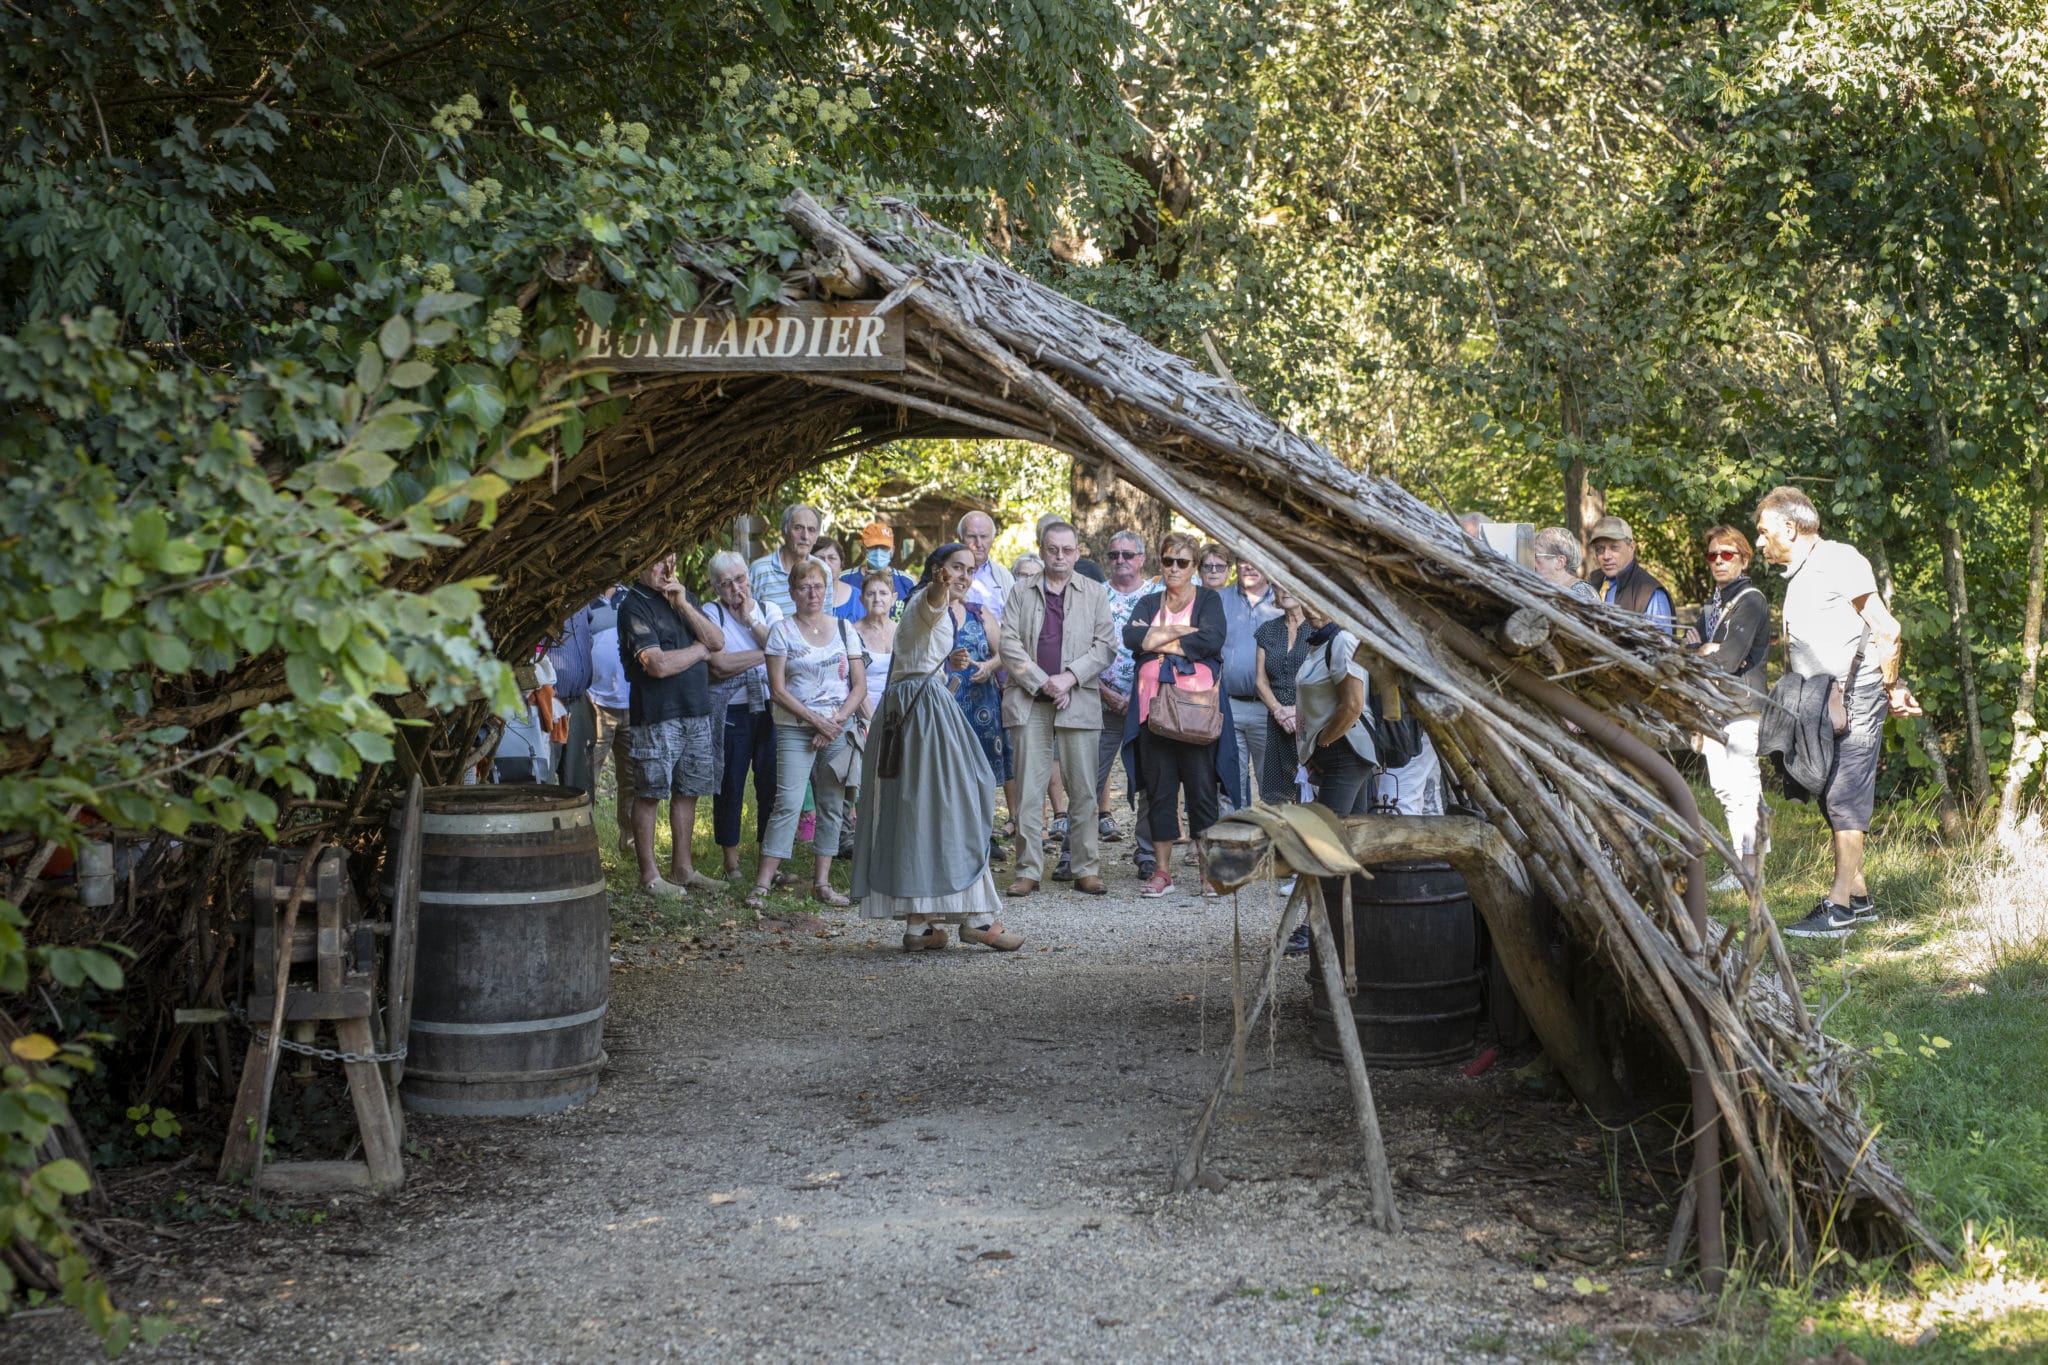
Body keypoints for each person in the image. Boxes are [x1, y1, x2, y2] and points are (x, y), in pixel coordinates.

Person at [1754, 487, 1921, 938]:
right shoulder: (1801, 572)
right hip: (1820, 699)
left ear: (1790, 528)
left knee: (1844, 794)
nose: (1759, 541)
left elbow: (1888, 628)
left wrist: (1891, 686)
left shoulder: (1841, 560)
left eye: (1764, 531)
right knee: (1828, 790)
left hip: (1857, 694)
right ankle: (1861, 898)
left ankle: (1839, 907)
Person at [852, 543, 1022, 952]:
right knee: (958, 804)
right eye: (955, 568)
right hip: (923, 716)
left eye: (970, 570)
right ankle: (978, 918)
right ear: (936, 570)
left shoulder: (926, 609)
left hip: (913, 709)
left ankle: (919, 927)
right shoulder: (925, 600)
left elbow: (917, 651)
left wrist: (951, 665)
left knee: (918, 813)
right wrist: (940, 588)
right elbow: (930, 605)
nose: (964, 575)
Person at [1123, 531, 1244, 897]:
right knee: (1159, 793)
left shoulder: (1207, 599)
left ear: (1194, 567)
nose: (1175, 568)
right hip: (1153, 714)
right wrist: (1182, 634)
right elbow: (1131, 639)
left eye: (1183, 562)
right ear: (1160, 562)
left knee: (1202, 792)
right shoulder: (1147, 601)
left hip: (1196, 714)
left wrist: (1157, 637)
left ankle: (1208, 873)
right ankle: (1162, 873)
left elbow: (1211, 640)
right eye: (1168, 561)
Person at [998, 520, 1115, 897]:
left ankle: (1085, 868)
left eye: (1067, 550)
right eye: (1053, 549)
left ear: (1078, 553)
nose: (1060, 556)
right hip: (1030, 700)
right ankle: (1028, 870)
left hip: (1077, 699)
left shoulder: (1095, 593)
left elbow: (1105, 646)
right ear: (1042, 549)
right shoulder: (1020, 591)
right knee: (1030, 789)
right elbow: (1009, 644)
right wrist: (1041, 681)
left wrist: (1067, 678)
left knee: (1083, 789)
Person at [748, 559, 867, 910]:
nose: (812, 593)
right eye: (804, 587)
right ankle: (762, 883)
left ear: (827, 589)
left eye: (818, 586)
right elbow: (778, 690)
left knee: (832, 805)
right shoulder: (782, 632)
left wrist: (834, 723)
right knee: (786, 802)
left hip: (837, 727)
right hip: (795, 727)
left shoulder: (845, 628)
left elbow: (858, 687)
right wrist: (817, 722)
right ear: (792, 592)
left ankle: (823, 883)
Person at [619, 553, 728, 898]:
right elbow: (659, 665)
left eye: (671, 559)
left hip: (696, 710)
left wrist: (682, 603)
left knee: (688, 789)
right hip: (656, 715)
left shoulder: (686, 598)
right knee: (650, 792)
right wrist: (699, 651)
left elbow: (718, 642)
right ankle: (650, 876)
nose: (666, 569)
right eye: (656, 561)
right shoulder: (633, 606)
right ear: (638, 565)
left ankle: (683, 869)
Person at [1688, 527, 1771, 895]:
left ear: (1744, 558)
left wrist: (1705, 651)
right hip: (1713, 707)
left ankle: (1753, 872)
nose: (1719, 561)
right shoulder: (1714, 604)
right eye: (1712, 556)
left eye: (1727, 554)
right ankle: (1739, 867)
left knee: (1744, 788)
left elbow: (1727, 658)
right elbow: (1690, 650)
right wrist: (1701, 650)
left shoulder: (1750, 600)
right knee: (1724, 790)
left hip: (1741, 706)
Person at [703, 551, 781, 881]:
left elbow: (784, 651)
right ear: (715, 588)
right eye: (726, 583)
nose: (736, 588)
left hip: (770, 708)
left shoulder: (768, 610)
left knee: (770, 785)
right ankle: (731, 862)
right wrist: (768, 654)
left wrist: (751, 621)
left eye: (740, 579)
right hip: (730, 710)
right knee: (730, 783)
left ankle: (769, 862)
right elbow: (719, 665)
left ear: (749, 577)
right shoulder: (711, 613)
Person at [1095, 530, 1158, 872]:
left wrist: (1135, 693)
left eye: (1128, 555)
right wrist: (1107, 693)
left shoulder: (1159, 596)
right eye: (1114, 554)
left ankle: (1146, 853)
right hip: (1100, 701)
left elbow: (1166, 650)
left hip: (1148, 704)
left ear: (1141, 558)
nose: (1120, 560)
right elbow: (1079, 649)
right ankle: (1075, 855)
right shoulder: (1094, 595)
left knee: (1150, 779)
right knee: (1088, 778)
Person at [1217, 551, 1281, 812]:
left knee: (1273, 788)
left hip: (1270, 708)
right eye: (1243, 560)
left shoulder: (1282, 602)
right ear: (1235, 565)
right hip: (1228, 704)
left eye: (1256, 560)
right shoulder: (1219, 600)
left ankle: (1273, 846)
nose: (1249, 566)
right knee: (1229, 785)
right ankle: (1233, 848)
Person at [1253, 585, 1314, 803]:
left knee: (1312, 794)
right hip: (1278, 722)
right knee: (1278, 799)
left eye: (1291, 583)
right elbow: (1260, 681)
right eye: (1279, 585)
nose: (1286, 590)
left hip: (1313, 721)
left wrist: (1299, 713)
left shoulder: (1318, 628)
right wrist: (1280, 712)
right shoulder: (1267, 630)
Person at [587, 585, 635, 851]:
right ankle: (585, 845)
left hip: (633, 702)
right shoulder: (581, 599)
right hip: (596, 704)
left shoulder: (631, 596)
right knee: (588, 778)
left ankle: (630, 843)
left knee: (632, 779)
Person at [1587, 515, 1674, 631]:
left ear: (1631, 548)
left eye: (1614, 548)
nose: (1606, 556)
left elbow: (1662, 645)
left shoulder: (1650, 592)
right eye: (1599, 549)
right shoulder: (1592, 584)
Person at [548, 600, 598, 794]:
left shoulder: (582, 600)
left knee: (581, 784)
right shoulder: (540, 597)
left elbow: (588, 636)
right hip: (545, 704)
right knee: (543, 781)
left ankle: (581, 824)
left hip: (578, 701)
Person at [749, 503, 822, 616]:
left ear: (816, 537)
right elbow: (747, 618)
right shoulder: (759, 571)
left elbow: (825, 619)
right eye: (798, 528)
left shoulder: (822, 570)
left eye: (811, 530)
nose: (805, 536)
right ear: (784, 532)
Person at [854, 572, 898, 718]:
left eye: (883, 593)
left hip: (899, 714)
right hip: (864, 717)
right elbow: (853, 683)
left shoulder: (903, 632)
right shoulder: (852, 633)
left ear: (894, 598)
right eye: (871, 594)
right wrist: (873, 724)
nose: (877, 599)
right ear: (862, 600)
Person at [959, 510, 1014, 626]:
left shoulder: (1004, 576)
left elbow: (1015, 620)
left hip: (998, 642)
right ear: (960, 539)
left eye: (984, 537)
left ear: (993, 540)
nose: (978, 543)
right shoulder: (948, 574)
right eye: (971, 536)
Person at [1533, 526, 1600, 601]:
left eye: (1535, 556)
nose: (1531, 561)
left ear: (1559, 562)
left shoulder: (1581, 592)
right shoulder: (1545, 589)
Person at [814, 538, 861, 619]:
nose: (826, 563)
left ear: (841, 564)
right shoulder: (799, 595)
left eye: (832, 558)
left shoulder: (858, 598)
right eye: (820, 558)